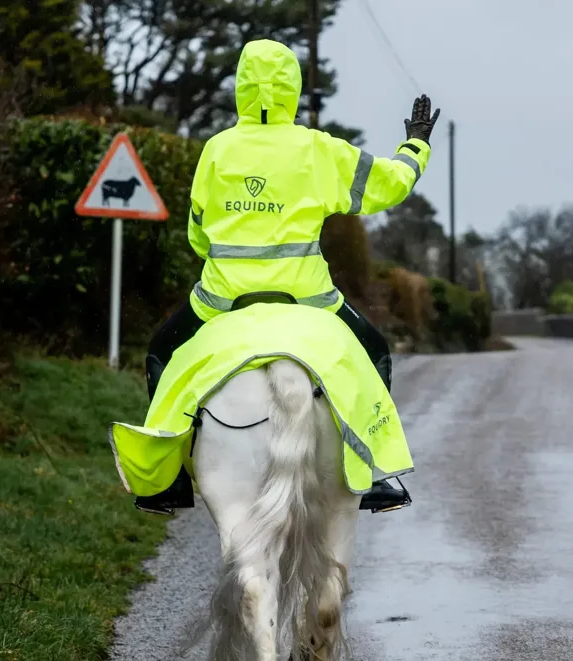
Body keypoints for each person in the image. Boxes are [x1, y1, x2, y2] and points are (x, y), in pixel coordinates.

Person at [136, 38, 440, 516]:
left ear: (241, 87)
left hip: (220, 301)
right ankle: (378, 475)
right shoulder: (316, 148)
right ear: (293, 90)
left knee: (159, 353)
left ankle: (167, 479)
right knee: (375, 349)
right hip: (309, 301)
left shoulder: (216, 150)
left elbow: (197, 232)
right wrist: (415, 144)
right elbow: (389, 184)